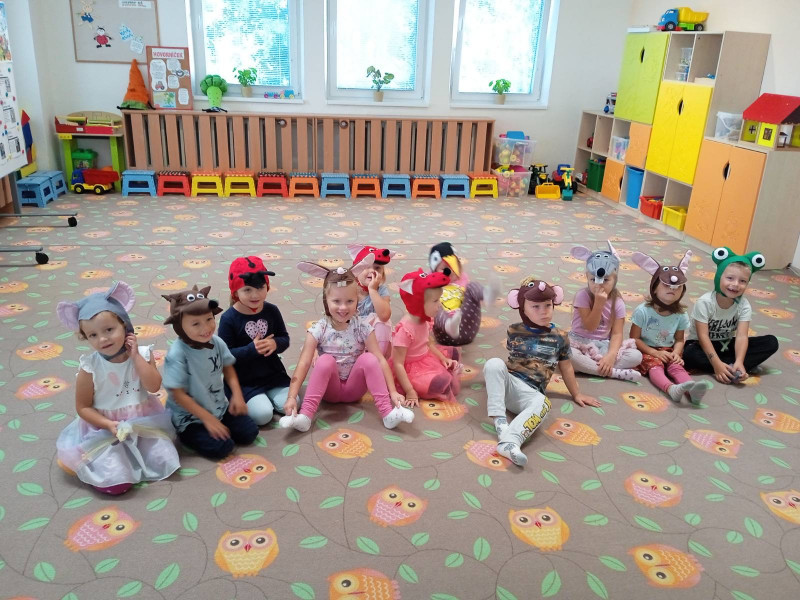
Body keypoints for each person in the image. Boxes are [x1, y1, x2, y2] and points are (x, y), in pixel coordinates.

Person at [55, 281, 179, 495]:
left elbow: (153, 386)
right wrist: (108, 424)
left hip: (142, 420)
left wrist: (135, 356)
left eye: (109, 330)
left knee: (164, 460)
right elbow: (83, 407)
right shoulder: (89, 367)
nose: (103, 339)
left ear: (125, 326)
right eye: (93, 335)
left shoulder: (142, 354)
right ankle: (82, 459)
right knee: (116, 482)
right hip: (104, 426)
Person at [279, 254, 413, 432]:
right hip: (329, 390)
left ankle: (388, 413)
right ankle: (305, 416)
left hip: (354, 390)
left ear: (357, 300)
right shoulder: (319, 329)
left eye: (350, 301)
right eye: (336, 301)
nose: (343, 307)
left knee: (369, 359)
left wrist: (393, 392)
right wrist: (291, 397)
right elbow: (303, 363)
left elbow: (381, 360)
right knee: (325, 360)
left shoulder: (363, 327)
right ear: (326, 301)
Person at [485, 277, 600, 467]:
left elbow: (566, 367)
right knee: (493, 364)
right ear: (522, 308)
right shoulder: (513, 330)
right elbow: (510, 360)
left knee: (544, 404)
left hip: (530, 394)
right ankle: (500, 422)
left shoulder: (560, 337)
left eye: (548, 305)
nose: (544, 311)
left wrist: (576, 394)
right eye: (535, 307)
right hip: (509, 383)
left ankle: (510, 442)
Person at [162, 285, 258, 459]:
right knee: (222, 447)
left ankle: (217, 423)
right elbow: (178, 395)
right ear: (179, 326)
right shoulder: (177, 354)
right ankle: (187, 434)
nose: (206, 328)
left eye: (209, 319)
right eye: (195, 324)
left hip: (218, 406)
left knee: (249, 432)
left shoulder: (217, 342)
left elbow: (228, 368)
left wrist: (237, 395)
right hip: (190, 417)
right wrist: (207, 419)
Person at [683, 247, 778, 383]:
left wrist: (739, 360)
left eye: (742, 281)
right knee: (689, 354)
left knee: (771, 342)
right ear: (719, 277)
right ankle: (728, 368)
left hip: (726, 345)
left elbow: (741, 336)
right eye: (730, 278)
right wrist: (716, 364)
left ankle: (733, 366)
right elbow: (703, 336)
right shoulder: (705, 302)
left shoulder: (744, 305)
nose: (735, 284)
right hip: (701, 345)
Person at [218, 256, 292, 425]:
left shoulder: (272, 310)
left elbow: (284, 338)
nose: (255, 295)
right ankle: (254, 399)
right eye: (247, 290)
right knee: (263, 415)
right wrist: (251, 349)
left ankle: (266, 398)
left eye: (260, 288)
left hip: (272, 374)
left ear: (267, 286)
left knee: (289, 405)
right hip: (244, 380)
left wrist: (275, 344)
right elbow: (224, 355)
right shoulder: (228, 318)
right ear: (235, 292)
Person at [629, 250, 710, 404]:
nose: (672, 289)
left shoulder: (681, 314)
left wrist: (677, 353)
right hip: (646, 349)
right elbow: (634, 338)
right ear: (654, 288)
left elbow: (679, 339)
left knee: (676, 366)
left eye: (677, 287)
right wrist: (654, 352)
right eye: (666, 285)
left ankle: (692, 391)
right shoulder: (642, 311)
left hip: (668, 349)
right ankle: (670, 389)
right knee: (655, 367)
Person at [568, 242, 643, 380]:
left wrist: (611, 356)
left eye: (606, 280)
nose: (599, 284)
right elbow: (590, 327)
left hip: (604, 345)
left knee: (636, 356)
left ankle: (592, 367)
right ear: (587, 277)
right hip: (580, 343)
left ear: (615, 280)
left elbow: (617, 333)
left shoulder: (618, 302)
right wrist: (598, 304)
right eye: (593, 279)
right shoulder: (582, 296)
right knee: (569, 355)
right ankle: (613, 372)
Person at [393, 267, 462, 406]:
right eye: (435, 301)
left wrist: (442, 358)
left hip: (426, 358)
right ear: (419, 303)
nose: (440, 304)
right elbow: (398, 363)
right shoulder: (405, 330)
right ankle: (441, 380)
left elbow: (428, 344)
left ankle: (445, 374)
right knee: (441, 382)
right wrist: (409, 390)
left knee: (453, 352)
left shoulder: (425, 320)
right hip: (411, 370)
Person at [428, 242, 498, 346]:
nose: (450, 271)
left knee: (472, 286)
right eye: (444, 269)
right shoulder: (432, 286)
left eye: (453, 267)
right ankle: (449, 325)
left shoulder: (462, 282)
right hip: (444, 333)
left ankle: (487, 295)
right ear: (434, 271)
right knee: (433, 304)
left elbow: (470, 299)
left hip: (467, 327)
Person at [347, 243, 395, 359]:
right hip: (352, 336)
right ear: (355, 270)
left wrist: (373, 290)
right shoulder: (349, 289)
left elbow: (384, 316)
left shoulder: (381, 290)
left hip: (375, 340)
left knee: (383, 323)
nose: (372, 271)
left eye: (377, 268)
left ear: (382, 274)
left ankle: (376, 361)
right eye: (366, 266)